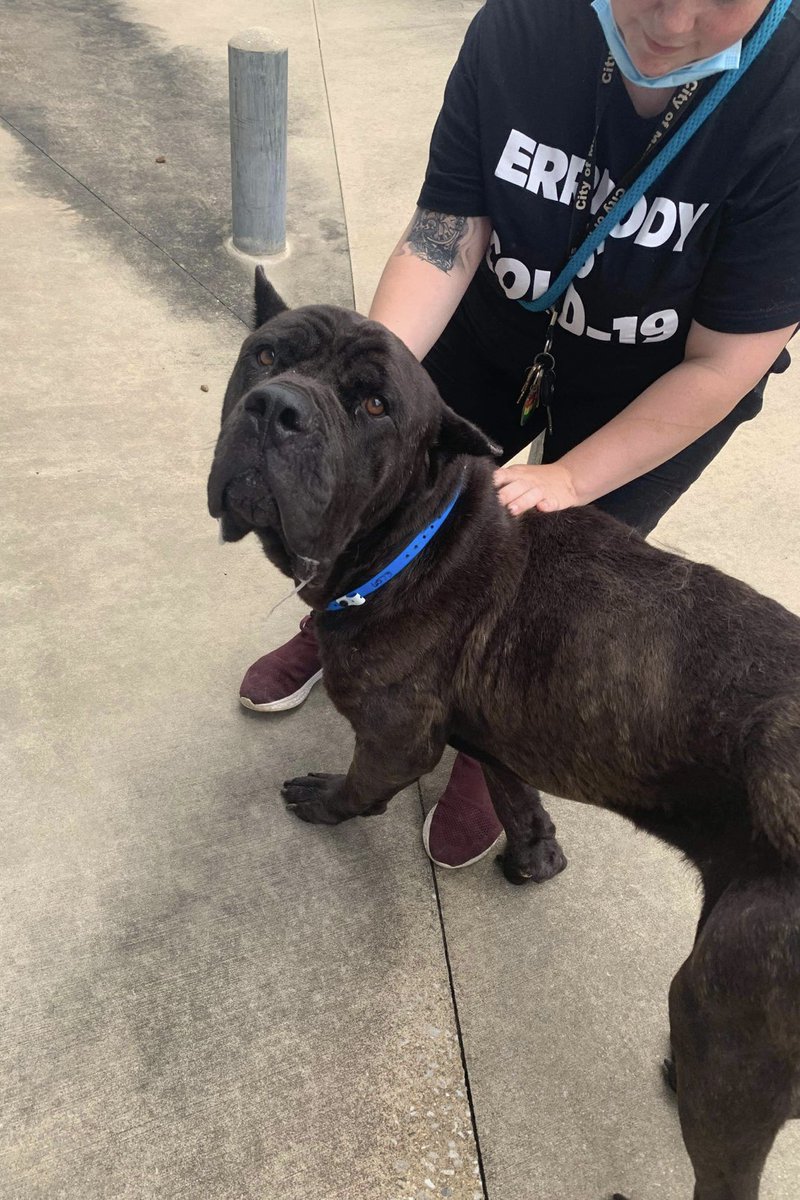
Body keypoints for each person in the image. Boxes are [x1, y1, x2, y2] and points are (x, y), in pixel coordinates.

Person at [240, 0, 800, 868]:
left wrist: (570, 479)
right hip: (491, 328)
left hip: (657, 388)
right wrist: (360, 392)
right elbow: (445, 236)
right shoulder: (523, 23)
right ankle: (341, 620)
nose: (673, 20)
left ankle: (494, 733)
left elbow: (724, 364)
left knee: (543, 589)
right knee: (388, 508)